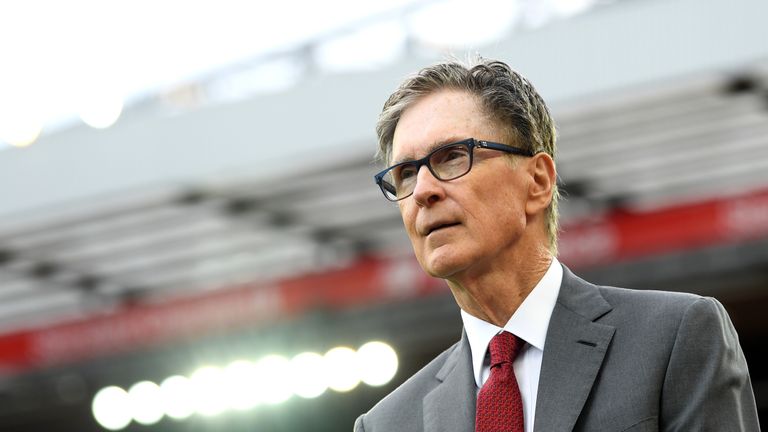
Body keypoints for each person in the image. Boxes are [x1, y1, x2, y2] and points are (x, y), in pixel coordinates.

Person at [355, 58, 760, 432]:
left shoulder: (674, 338)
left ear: (538, 182)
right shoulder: (386, 424)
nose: (423, 190)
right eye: (405, 173)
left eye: (451, 156)